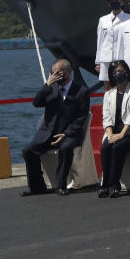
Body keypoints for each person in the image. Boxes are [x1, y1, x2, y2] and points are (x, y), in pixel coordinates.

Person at [21, 59, 90, 197]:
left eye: (58, 73)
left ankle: (60, 185)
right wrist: (47, 84)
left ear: (69, 72)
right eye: (52, 73)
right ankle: (37, 187)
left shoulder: (81, 91)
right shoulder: (51, 88)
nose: (54, 76)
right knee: (28, 151)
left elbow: (81, 118)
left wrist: (66, 133)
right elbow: (36, 102)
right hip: (49, 132)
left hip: (68, 133)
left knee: (65, 148)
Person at [99, 60, 130, 197]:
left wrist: (121, 134)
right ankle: (105, 184)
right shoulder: (108, 94)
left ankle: (114, 184)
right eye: (114, 73)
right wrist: (110, 135)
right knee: (105, 147)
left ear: (127, 72)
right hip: (113, 132)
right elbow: (106, 117)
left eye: (121, 71)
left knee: (117, 147)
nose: (118, 74)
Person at [96, 0, 130, 87]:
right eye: (111, 0)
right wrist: (98, 62)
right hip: (106, 59)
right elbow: (100, 42)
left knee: (123, 85)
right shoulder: (103, 20)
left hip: (122, 58)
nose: (114, 2)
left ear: (122, 2)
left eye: (117, 0)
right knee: (107, 87)